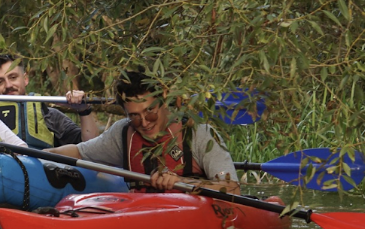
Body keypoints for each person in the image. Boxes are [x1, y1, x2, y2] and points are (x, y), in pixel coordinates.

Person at [47, 70, 240, 194]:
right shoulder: (122, 134)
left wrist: (182, 182)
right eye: (135, 116)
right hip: (142, 216)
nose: (145, 122)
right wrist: (26, 154)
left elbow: (232, 188)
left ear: (164, 98)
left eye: (150, 112)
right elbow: (79, 152)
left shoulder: (200, 134)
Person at [0, 55, 99, 148]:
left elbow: (90, 147)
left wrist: (84, 110)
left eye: (13, 77)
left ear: (25, 79)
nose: (8, 85)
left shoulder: (48, 115)